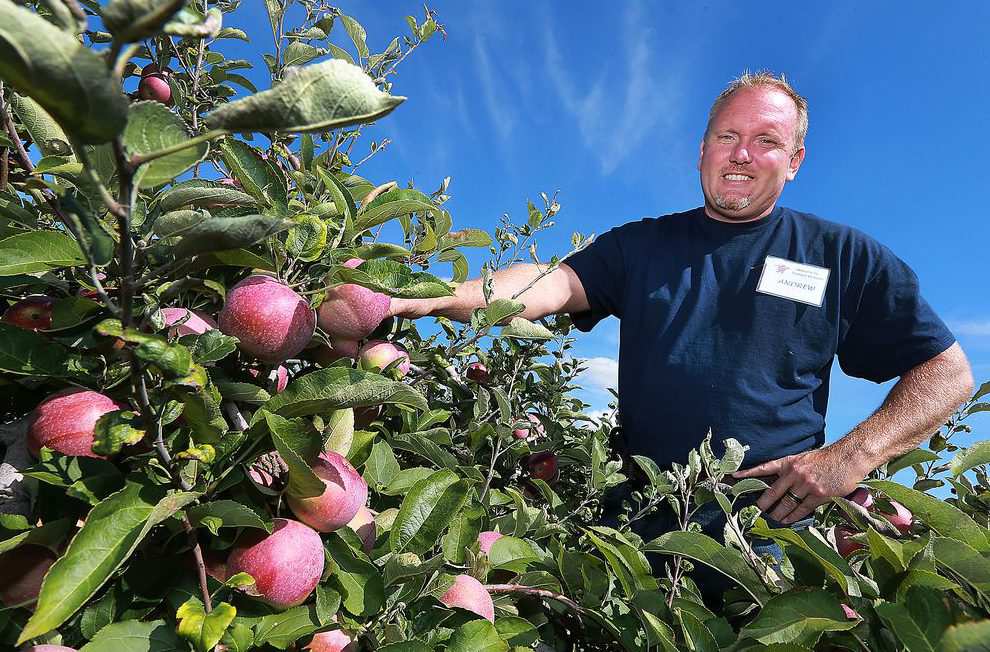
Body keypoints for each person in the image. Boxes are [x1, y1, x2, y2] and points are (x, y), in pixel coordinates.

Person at [388, 71, 975, 602]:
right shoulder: (640, 247)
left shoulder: (842, 257)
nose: (742, 153)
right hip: (632, 532)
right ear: (702, 150)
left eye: (766, 141)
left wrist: (850, 457)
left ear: (795, 160)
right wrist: (428, 297)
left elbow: (947, 373)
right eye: (727, 136)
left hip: (765, 542)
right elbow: (544, 285)